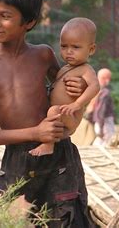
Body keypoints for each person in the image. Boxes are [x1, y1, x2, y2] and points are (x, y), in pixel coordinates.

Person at [0, 0, 94, 227]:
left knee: (70, 219)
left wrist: (79, 85)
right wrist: (35, 132)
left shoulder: (43, 56)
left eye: (5, 16)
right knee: (16, 222)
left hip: (60, 157)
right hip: (18, 161)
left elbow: (66, 83)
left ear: (29, 21)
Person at [29, 17, 100, 156]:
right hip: (60, 115)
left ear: (91, 49)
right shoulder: (64, 69)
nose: (69, 51)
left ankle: (48, 146)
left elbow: (95, 86)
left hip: (69, 114)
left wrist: (77, 104)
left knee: (54, 111)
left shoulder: (85, 69)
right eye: (64, 46)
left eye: (75, 47)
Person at [92, 68, 116, 146]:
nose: (107, 81)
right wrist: (101, 125)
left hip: (99, 121)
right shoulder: (104, 93)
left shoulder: (96, 90)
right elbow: (100, 110)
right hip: (104, 122)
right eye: (104, 78)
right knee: (108, 141)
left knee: (100, 141)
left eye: (108, 78)